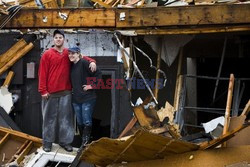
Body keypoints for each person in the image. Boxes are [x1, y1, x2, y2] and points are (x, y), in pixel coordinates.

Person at [38, 29, 96, 152]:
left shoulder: (67, 53)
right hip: (50, 93)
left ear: (64, 39)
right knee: (49, 119)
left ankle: (65, 142)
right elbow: (42, 73)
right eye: (56, 37)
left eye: (60, 37)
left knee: (66, 119)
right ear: (53, 40)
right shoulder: (47, 54)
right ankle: (47, 143)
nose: (58, 39)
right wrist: (43, 90)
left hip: (66, 92)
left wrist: (91, 61)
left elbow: (81, 56)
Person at [68, 46, 102, 146]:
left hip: (88, 97)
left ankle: (85, 143)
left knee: (86, 121)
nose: (71, 55)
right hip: (76, 98)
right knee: (80, 122)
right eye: (69, 53)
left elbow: (98, 74)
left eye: (73, 53)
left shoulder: (83, 63)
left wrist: (91, 86)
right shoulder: (71, 65)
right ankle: (85, 141)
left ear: (78, 53)